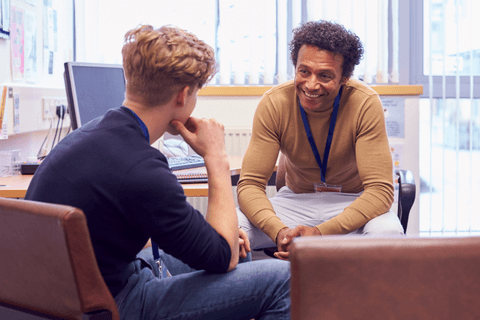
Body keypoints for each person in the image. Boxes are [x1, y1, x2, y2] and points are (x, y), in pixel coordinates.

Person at [26, 25, 290, 320]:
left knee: (240, 249)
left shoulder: (89, 135)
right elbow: (223, 258)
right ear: (183, 95)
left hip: (68, 295)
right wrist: (216, 157)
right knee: (285, 279)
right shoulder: (142, 168)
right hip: (113, 304)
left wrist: (220, 240)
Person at [237, 20, 404, 260]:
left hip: (353, 202)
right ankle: (256, 294)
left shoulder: (365, 103)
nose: (311, 84)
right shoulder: (274, 103)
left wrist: (320, 233)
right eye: (304, 71)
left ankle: (364, 299)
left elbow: (379, 191)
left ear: (345, 77)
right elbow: (250, 185)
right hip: (296, 203)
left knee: (388, 235)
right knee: (230, 228)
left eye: (325, 75)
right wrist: (279, 231)